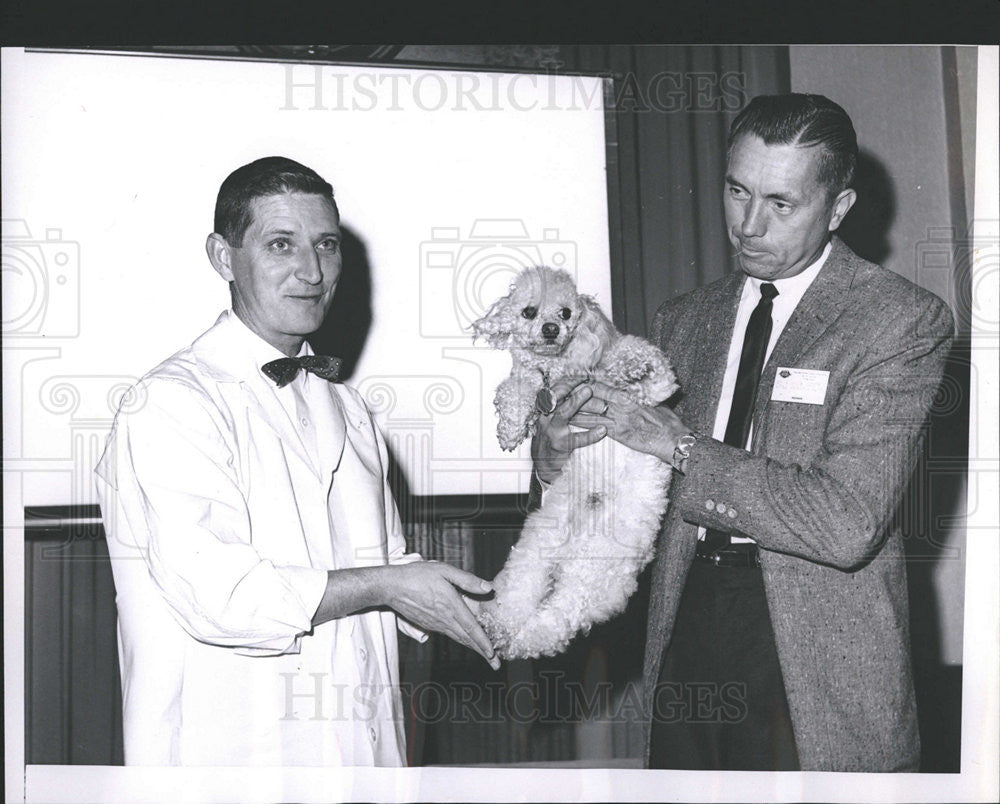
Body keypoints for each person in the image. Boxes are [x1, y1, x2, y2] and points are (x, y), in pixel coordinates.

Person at [532, 94, 954, 772]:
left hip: (812, 649)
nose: (749, 225)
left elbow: (845, 522)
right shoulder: (685, 320)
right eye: (736, 191)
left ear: (839, 209)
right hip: (685, 622)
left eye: (781, 204)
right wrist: (561, 463)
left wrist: (677, 446)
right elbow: (627, 493)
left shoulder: (899, 321)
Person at [95, 156, 499, 767]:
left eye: (326, 246)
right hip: (231, 765)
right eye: (281, 244)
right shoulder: (170, 402)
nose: (311, 272)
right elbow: (224, 596)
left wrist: (496, 604)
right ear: (223, 256)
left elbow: (385, 565)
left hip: (364, 759)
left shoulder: (350, 407)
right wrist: (389, 584)